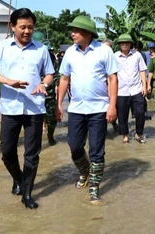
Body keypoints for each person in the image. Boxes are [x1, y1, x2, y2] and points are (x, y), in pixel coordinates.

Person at [0, 8, 55, 209]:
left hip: (35, 109)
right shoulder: (1, 48)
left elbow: (49, 74)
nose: (27, 31)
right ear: (12, 26)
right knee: (7, 152)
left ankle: (27, 194)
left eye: (30, 27)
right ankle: (19, 178)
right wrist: (7, 81)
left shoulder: (41, 49)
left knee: (32, 154)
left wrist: (44, 84)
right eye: (22, 27)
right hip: (10, 108)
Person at [56, 16, 118, 204]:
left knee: (96, 150)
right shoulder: (70, 53)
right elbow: (64, 79)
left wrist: (112, 105)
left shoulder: (104, 51)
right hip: (76, 108)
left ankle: (94, 187)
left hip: (98, 108)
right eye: (72, 30)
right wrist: (59, 104)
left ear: (88, 33)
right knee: (74, 146)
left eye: (76, 30)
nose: (72, 33)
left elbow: (113, 79)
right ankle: (84, 171)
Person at [114, 34, 147, 143]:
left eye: (127, 43)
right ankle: (125, 135)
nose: (125, 45)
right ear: (119, 44)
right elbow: (112, 75)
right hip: (121, 91)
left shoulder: (137, 55)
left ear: (130, 44)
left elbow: (142, 70)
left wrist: (144, 86)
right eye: (122, 43)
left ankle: (138, 133)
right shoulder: (115, 57)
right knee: (122, 115)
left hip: (136, 89)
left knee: (140, 112)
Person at [32, 31, 58, 146]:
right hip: (33, 93)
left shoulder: (51, 57)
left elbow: (56, 74)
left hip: (49, 92)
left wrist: (56, 86)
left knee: (52, 118)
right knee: (34, 120)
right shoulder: (30, 57)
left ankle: (50, 136)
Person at [101, 39, 119, 133]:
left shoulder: (114, 58)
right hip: (101, 88)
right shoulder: (97, 58)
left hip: (112, 86)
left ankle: (113, 122)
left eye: (108, 47)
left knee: (113, 106)